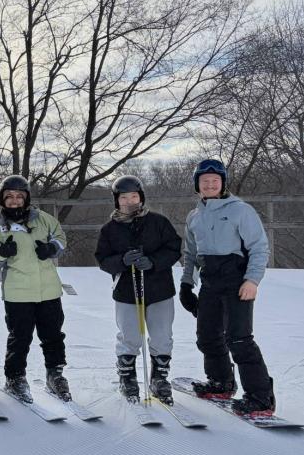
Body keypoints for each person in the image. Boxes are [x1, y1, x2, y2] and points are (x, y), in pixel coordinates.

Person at [179, 159, 276, 416]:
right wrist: (187, 284)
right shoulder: (194, 216)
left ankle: (260, 397)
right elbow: (190, 253)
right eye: (204, 181)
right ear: (197, 185)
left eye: (215, 180)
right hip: (210, 281)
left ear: (223, 183)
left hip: (237, 281)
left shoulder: (240, 210)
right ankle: (221, 382)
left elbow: (259, 247)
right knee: (208, 336)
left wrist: (252, 280)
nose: (209, 184)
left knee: (239, 338)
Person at [94, 175, 182, 404]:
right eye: (124, 197)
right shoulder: (110, 229)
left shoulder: (158, 222)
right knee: (129, 335)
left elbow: (174, 249)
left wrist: (154, 261)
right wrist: (122, 261)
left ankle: (159, 378)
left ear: (141, 197)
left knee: (162, 335)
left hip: (159, 289)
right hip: (126, 291)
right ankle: (128, 377)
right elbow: (102, 259)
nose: (130, 201)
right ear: (117, 200)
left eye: (134, 196)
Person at [0, 175, 71, 401]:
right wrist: (1, 253)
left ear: (27, 198)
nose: (14, 201)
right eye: (9, 197)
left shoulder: (44, 220)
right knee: (20, 337)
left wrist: (52, 248)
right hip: (18, 293)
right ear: (2, 200)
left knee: (52, 335)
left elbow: (61, 238)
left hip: (48, 290)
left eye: (19, 196)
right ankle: (15, 377)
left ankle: (55, 374)